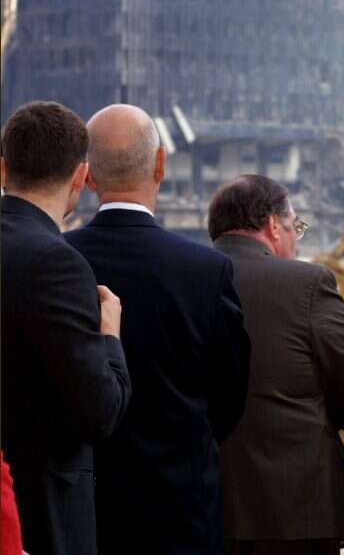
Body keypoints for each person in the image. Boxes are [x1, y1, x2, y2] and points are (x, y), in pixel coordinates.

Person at [65, 104, 251, 555]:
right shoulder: (206, 270)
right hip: (181, 507)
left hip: (87, 509)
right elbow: (231, 393)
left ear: (87, 176)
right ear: (161, 165)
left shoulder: (58, 261)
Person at [208, 175, 344, 555]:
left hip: (202, 501)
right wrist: (313, 420)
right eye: (295, 226)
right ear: (273, 225)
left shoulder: (184, 278)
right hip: (298, 506)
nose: (296, 239)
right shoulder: (308, 283)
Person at [1, 101, 131, 555]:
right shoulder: (57, 263)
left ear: (3, 169)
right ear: (81, 177)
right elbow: (100, 412)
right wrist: (110, 335)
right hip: (42, 512)